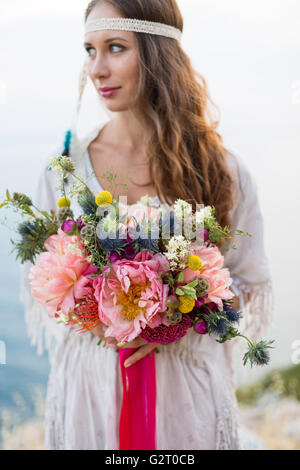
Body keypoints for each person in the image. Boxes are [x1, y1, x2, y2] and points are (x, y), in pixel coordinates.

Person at [20, 0, 273, 450]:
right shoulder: (63, 169)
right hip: (92, 388)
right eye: (89, 50)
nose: (97, 69)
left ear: (158, 53)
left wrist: (173, 318)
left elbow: (248, 282)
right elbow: (43, 280)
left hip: (184, 391)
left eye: (115, 47)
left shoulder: (223, 171)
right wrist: (95, 313)